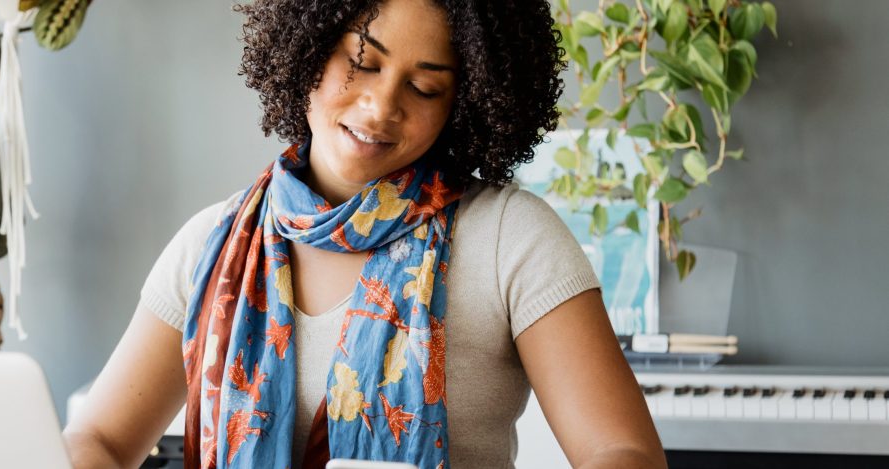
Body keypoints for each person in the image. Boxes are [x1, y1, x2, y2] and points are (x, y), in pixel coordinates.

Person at [63, 0, 666, 468]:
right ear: (306, 48)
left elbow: (623, 453)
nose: (381, 107)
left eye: (424, 87)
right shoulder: (210, 244)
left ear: (466, 100)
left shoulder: (513, 238)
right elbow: (100, 439)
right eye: (362, 62)